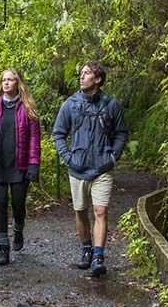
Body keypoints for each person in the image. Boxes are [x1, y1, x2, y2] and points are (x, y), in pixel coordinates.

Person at [52, 61, 128, 277]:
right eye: (81, 73)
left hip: (102, 167)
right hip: (77, 167)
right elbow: (58, 133)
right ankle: (86, 249)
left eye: (87, 73)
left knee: (100, 211)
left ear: (98, 79)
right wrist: (68, 157)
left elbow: (121, 133)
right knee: (80, 211)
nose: (82, 76)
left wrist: (113, 156)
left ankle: (98, 256)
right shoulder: (70, 104)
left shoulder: (111, 105)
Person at [0, 68, 41, 265]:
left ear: (18, 83)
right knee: (1, 203)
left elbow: (34, 139)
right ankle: (3, 247)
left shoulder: (28, 108)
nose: (6, 83)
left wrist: (34, 164)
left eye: (10, 80)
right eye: (4, 80)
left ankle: (18, 229)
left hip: (20, 164)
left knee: (18, 204)